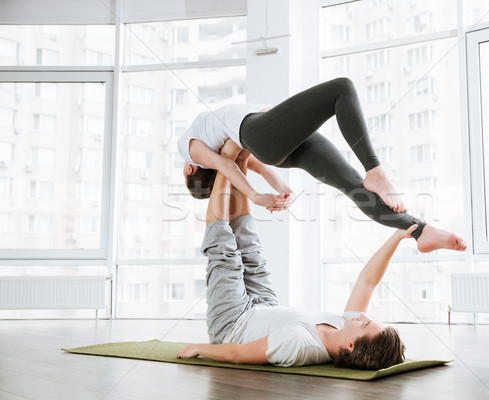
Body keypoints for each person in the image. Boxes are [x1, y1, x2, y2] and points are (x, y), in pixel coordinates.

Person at [176, 140, 413, 369]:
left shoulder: (300, 345)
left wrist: (199, 348)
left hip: (232, 325)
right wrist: (398, 237)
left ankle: (225, 159)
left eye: (365, 323)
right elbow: (368, 280)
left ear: (350, 345)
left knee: (224, 251)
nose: (362, 317)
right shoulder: (344, 326)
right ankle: (241, 158)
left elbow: (240, 354)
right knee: (249, 244)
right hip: (265, 307)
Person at [179, 78, 466, 252]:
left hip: (274, 145)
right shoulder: (189, 149)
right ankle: (375, 169)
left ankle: (420, 231)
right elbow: (226, 166)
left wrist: (281, 187)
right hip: (261, 135)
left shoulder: (215, 145)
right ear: (190, 170)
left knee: (353, 185)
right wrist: (255, 196)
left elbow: (256, 164)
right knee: (341, 89)